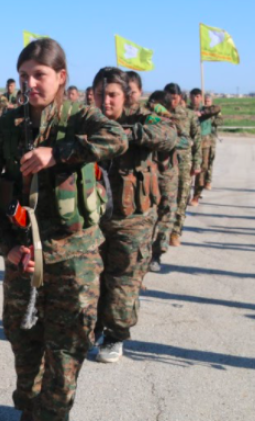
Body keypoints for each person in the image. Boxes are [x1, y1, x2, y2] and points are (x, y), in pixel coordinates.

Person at [0, 39, 127, 421]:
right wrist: (7, 247)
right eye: (23, 76)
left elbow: (117, 138)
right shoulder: (5, 128)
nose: (30, 84)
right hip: (24, 261)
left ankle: (53, 414)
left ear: (61, 77)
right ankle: (30, 410)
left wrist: (57, 153)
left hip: (75, 258)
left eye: (39, 75)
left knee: (67, 350)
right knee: (24, 348)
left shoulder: (80, 119)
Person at [91, 68, 176, 363]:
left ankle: (115, 336)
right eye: (100, 95)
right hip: (94, 217)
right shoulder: (88, 121)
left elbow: (168, 134)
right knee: (92, 278)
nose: (106, 101)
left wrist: (124, 133)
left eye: (112, 95)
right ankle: (93, 329)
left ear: (126, 96)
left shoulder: (143, 118)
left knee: (122, 280)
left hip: (133, 220)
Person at [147, 90, 181, 273]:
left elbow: (182, 139)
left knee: (166, 212)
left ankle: (157, 253)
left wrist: (163, 117)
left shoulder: (173, 121)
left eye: (159, 104)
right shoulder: (145, 118)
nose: (154, 106)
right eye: (153, 103)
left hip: (167, 174)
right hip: (148, 173)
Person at [165, 83, 200, 247]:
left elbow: (197, 139)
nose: (172, 101)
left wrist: (196, 163)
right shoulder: (158, 115)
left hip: (184, 163)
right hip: (163, 164)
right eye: (169, 97)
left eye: (174, 98)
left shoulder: (189, 115)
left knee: (182, 198)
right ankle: (162, 232)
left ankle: (175, 232)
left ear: (179, 97)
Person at [189, 89, 221, 206]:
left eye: (197, 97)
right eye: (192, 97)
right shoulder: (188, 110)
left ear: (200, 97)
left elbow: (217, 108)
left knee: (202, 170)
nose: (194, 99)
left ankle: (196, 196)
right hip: (191, 144)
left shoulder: (206, 109)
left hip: (204, 144)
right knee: (189, 170)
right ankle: (186, 194)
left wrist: (202, 113)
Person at [205, 94, 222, 190]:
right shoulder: (200, 110)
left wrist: (209, 118)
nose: (207, 103)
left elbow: (219, 122)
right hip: (201, 138)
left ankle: (208, 181)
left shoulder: (215, 111)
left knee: (210, 160)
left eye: (208, 101)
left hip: (211, 138)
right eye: (205, 101)